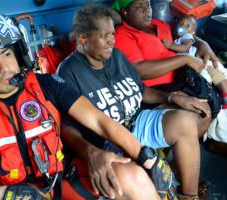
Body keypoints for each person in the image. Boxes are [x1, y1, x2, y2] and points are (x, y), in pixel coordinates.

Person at [0, 12, 164, 200]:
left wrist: (146, 157)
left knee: (133, 176)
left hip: (62, 181)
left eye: (7, 54)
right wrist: (9, 194)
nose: (5, 68)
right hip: (15, 195)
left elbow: (99, 121)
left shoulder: (48, 85)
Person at [57, 5, 211, 199]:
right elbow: (66, 127)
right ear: (83, 38)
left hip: (135, 122)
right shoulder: (69, 72)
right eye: (104, 36)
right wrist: (90, 152)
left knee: (185, 120)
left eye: (112, 34)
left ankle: (189, 196)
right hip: (105, 141)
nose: (112, 41)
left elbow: (140, 90)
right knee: (135, 179)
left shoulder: (117, 57)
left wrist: (173, 97)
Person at [162, 15, 227, 157]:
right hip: (194, 67)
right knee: (214, 77)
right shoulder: (177, 34)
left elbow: (185, 46)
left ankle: (224, 94)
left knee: (216, 75)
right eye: (181, 23)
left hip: (199, 63)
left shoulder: (186, 38)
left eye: (188, 26)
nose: (183, 26)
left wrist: (171, 46)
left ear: (193, 32)